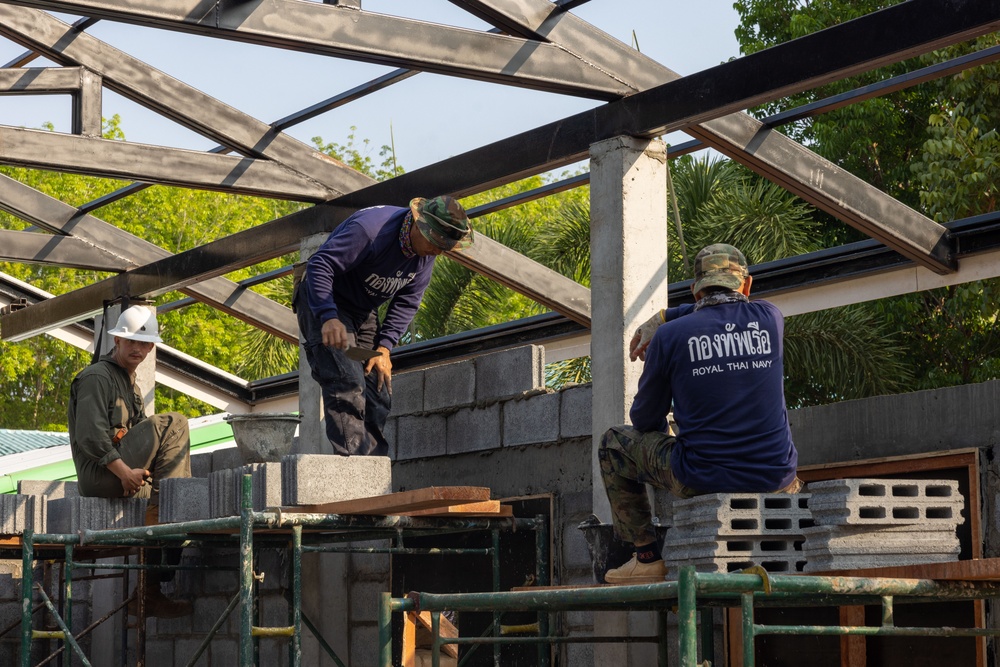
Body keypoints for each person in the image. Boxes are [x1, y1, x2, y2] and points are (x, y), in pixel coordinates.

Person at [600, 244, 801, 585]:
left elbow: (644, 421)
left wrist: (664, 320)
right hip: (777, 479)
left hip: (702, 477)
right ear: (747, 285)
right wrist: (669, 317)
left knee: (613, 444)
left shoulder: (669, 337)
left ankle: (647, 558)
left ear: (695, 289)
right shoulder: (771, 319)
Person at [294, 196, 473, 456]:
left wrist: (385, 347)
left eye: (444, 247)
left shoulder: (425, 255)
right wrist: (328, 316)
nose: (438, 251)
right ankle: (354, 473)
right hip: (324, 300)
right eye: (435, 243)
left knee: (377, 387)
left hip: (362, 312)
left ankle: (374, 473)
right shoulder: (371, 230)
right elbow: (321, 265)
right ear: (418, 224)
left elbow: (408, 302)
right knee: (347, 380)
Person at [68, 304, 192, 617]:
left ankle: (150, 587)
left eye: (144, 343)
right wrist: (124, 472)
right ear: (117, 341)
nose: (137, 348)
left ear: (151, 347)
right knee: (174, 423)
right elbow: (90, 435)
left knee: (170, 486)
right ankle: (169, 526)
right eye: (130, 341)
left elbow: (135, 432)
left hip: (122, 470)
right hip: (101, 472)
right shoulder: (97, 377)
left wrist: (147, 476)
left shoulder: (129, 383)